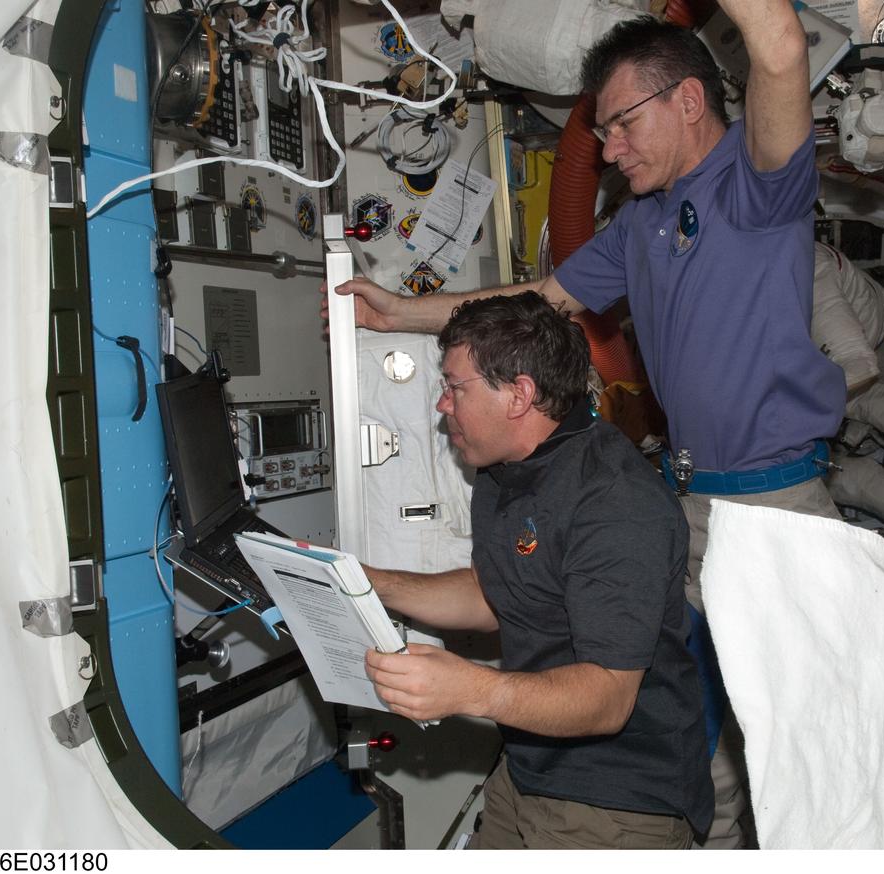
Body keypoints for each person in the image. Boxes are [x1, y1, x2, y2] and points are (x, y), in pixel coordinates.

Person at [330, 1, 844, 847]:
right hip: (690, 500)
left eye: (620, 124)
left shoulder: (758, 185)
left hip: (776, 503)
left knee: (802, 747)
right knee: (687, 723)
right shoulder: (640, 222)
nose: (607, 149)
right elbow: (539, 303)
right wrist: (401, 316)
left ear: (687, 100)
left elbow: (782, 47)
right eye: (599, 131)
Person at [360, 291, 713, 849]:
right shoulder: (505, 471)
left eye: (455, 387)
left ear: (519, 395)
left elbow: (606, 698)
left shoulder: (614, 501)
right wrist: (367, 581)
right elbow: (492, 593)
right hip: (529, 770)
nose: (441, 405)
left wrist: (468, 688)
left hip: (618, 798)